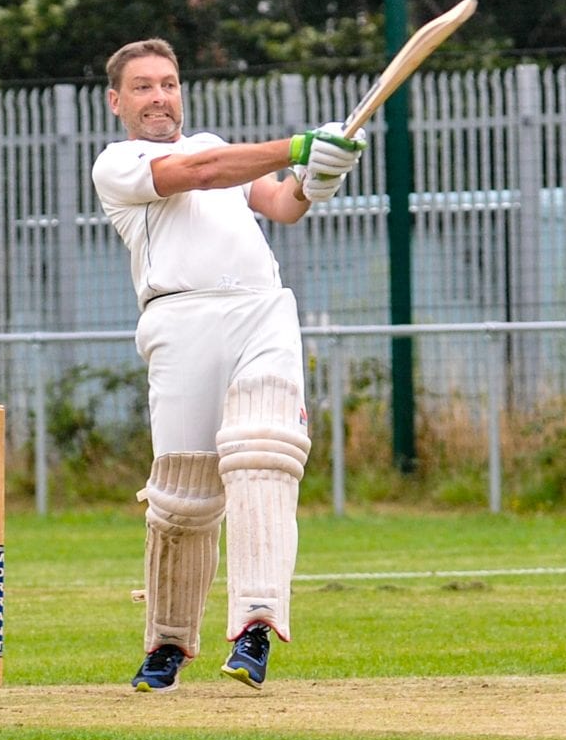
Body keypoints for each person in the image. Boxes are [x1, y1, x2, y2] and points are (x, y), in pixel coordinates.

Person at [92, 38, 365, 691]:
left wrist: (318, 176)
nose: (159, 97)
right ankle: (166, 645)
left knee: (263, 451)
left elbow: (281, 206)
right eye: (143, 87)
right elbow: (201, 173)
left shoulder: (219, 144)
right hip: (179, 321)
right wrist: (299, 146)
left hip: (259, 309)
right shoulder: (119, 163)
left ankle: (256, 628)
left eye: (168, 82)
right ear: (116, 101)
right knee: (182, 500)